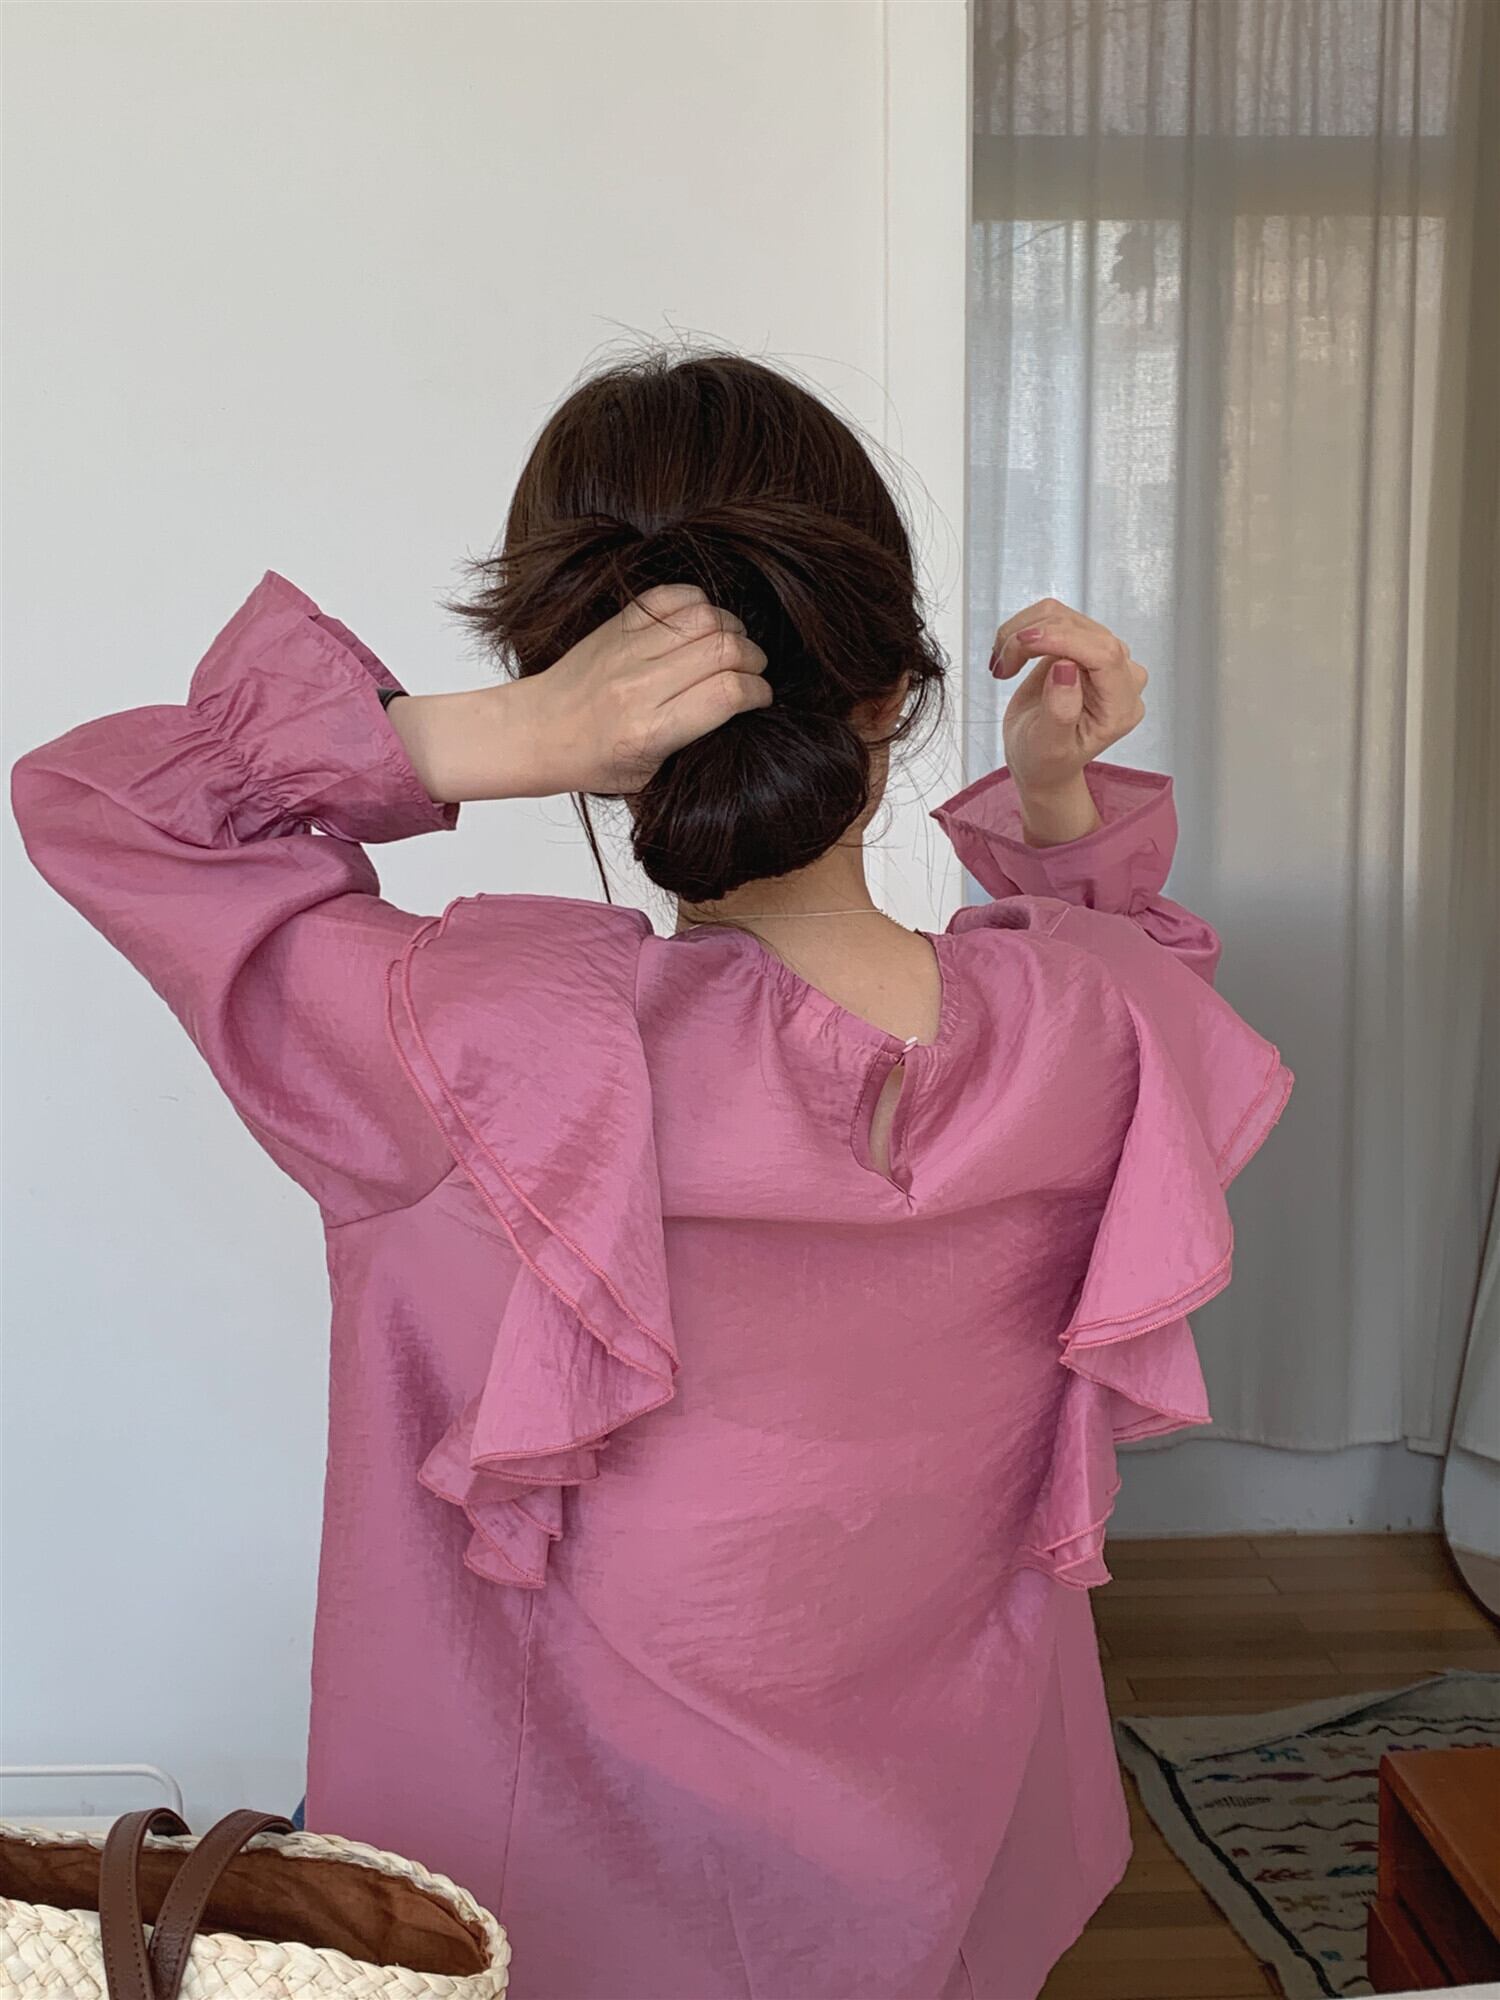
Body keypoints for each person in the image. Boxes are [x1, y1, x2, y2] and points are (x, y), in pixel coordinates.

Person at [12, 350, 1292, 2000]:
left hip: (543, 1915)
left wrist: (500, 735)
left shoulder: (476, 1044)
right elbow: (1148, 970)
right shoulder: (1088, 1031)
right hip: (925, 1874)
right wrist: (1057, 801)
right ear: (893, 689)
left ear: (604, 710)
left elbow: (103, 806)